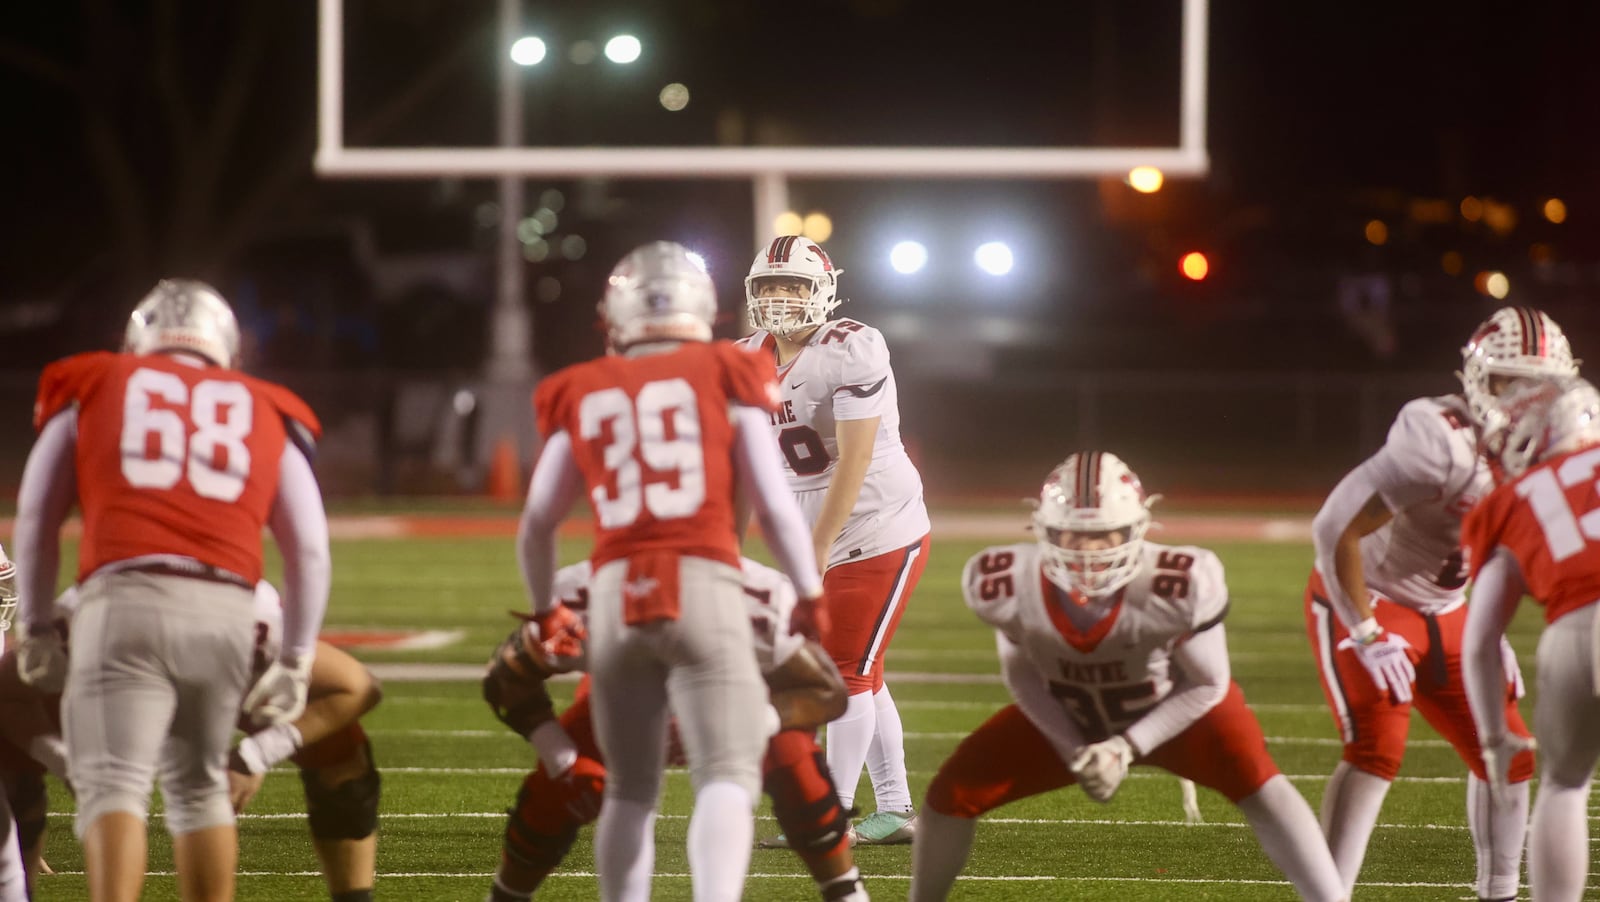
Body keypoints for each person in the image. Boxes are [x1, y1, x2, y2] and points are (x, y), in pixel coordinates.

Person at [516, 241, 828, 902]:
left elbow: (538, 521)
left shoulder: (582, 386)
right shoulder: (727, 368)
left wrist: (546, 610)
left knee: (630, 790)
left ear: (615, 314)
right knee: (726, 775)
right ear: (701, 307)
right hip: (703, 581)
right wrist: (807, 588)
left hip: (614, 593)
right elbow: (772, 503)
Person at [10, 279, 331, 902]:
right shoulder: (264, 405)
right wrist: (297, 656)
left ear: (139, 341)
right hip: (229, 606)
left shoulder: (96, 383)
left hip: (123, 596)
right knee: (200, 788)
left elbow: (36, 518)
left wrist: (36, 625)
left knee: (113, 784)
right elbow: (310, 547)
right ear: (226, 348)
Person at [909, 452, 1345, 902]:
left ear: (1136, 530)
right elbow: (1023, 680)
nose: (1088, 550)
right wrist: (1074, 748)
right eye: (1074, 535)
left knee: (1263, 786)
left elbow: (1209, 684)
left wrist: (1123, 747)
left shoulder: (1178, 582)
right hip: (1071, 710)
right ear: (1046, 532)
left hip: (1180, 711)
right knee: (950, 796)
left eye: (1103, 535)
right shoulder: (1006, 582)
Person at [1304, 305, 1577, 901]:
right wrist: (1367, 633)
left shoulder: (1554, 446)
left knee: (1509, 753)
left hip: (1451, 608)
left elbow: (1503, 545)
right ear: (1479, 379)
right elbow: (1333, 529)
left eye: (1541, 385)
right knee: (1378, 747)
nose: (1526, 399)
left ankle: (1498, 893)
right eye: (1511, 380)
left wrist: (1493, 626)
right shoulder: (1440, 441)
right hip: (1369, 594)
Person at [481, 556, 868, 902]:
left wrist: (758, 721)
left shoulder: (753, 596)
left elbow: (827, 691)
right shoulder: (586, 598)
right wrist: (562, 760)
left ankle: (843, 888)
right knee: (558, 784)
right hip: (621, 701)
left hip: (733, 702)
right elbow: (505, 678)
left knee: (795, 762)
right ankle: (508, 894)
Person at [0, 581, 382, 902]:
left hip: (201, 644)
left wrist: (254, 755)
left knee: (339, 750)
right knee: (17, 753)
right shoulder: (84, 626)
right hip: (124, 643)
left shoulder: (250, 623)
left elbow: (357, 688)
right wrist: (61, 759)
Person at [737, 235, 930, 845]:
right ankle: (895, 809)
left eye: (793, 286)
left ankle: (829, 815)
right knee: (864, 673)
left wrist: (817, 545)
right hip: (808, 526)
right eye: (769, 287)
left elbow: (855, 459)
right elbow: (738, 457)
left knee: (841, 672)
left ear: (823, 289)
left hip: (876, 520)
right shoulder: (741, 357)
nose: (780, 299)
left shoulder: (851, 347)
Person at [1462, 375, 1600, 902]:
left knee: (1564, 787)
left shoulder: (1515, 496)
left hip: (1575, 631)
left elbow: (1480, 638)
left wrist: (1495, 738)